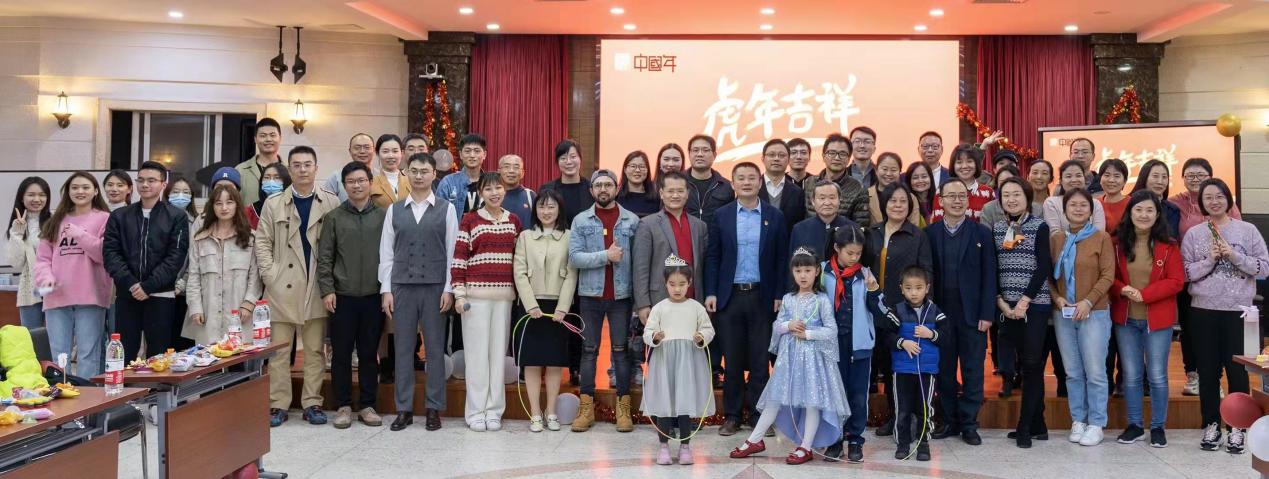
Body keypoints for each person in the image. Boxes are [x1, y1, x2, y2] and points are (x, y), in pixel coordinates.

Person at [729, 248, 848, 465]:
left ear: (816, 272)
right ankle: (755, 440)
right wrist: (788, 325)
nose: (803, 275)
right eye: (798, 270)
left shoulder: (822, 300)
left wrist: (808, 334)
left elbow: (831, 331)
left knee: (812, 401)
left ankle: (806, 446)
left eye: (808, 270)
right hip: (789, 359)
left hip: (813, 361)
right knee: (774, 398)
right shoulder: (788, 298)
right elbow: (776, 326)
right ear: (792, 272)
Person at [256, 146, 340, 427]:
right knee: (279, 351)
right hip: (281, 286)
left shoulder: (330, 202)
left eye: (307, 164)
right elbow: (262, 242)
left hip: (316, 284)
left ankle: (312, 402)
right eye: (297, 165)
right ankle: (277, 404)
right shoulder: (274, 203)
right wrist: (271, 275)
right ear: (289, 169)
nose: (302, 170)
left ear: (316, 168)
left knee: (315, 350)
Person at [1183, 178, 1268, 453]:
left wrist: (1233, 255)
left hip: (1237, 312)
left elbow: (1264, 267)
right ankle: (1211, 425)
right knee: (1207, 371)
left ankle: (1237, 428)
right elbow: (1186, 273)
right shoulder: (1194, 234)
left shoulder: (1248, 230)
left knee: (1237, 372)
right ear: (1202, 202)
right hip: (1203, 311)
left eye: (1220, 196)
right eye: (1208, 197)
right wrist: (1210, 259)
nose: (1214, 201)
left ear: (1229, 199)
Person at [706, 162, 789, 436]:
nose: (746, 182)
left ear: (760, 182)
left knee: (759, 361)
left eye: (751, 178)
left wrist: (779, 294)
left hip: (762, 296)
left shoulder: (775, 216)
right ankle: (732, 416)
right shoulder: (722, 215)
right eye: (740, 178)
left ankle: (757, 415)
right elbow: (713, 256)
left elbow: (781, 259)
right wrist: (711, 292)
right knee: (731, 360)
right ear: (733, 183)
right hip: (730, 297)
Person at [378, 152, 457, 432]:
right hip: (402, 287)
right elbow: (386, 253)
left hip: (435, 287)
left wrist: (449, 288)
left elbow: (452, 252)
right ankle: (404, 409)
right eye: (414, 170)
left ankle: (434, 408)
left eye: (424, 171)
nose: (419, 175)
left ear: (434, 174)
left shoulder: (447, 209)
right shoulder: (395, 210)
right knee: (402, 349)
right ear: (407, 174)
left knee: (435, 350)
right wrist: (386, 290)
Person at [1109, 190, 1184, 447]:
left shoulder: (1169, 245)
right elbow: (1108, 276)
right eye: (1138, 209)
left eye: (1149, 210)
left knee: (1157, 375)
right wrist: (1122, 289)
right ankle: (1135, 425)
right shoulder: (1116, 243)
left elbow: (1176, 281)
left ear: (1157, 214)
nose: (1144, 215)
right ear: (1130, 213)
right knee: (1131, 375)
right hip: (1126, 319)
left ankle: (1158, 427)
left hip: (1158, 320)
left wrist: (1145, 295)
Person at [567, 169, 641, 432]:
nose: (603, 189)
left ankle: (623, 408)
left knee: (621, 350)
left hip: (622, 297)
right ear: (591, 190)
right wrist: (605, 256)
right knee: (589, 351)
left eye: (608, 185)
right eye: (598, 185)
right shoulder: (580, 220)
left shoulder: (631, 220)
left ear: (616, 189)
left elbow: (638, 261)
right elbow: (574, 257)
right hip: (590, 295)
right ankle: (586, 408)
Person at [925, 179, 997, 446]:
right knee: (944, 370)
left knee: (972, 370)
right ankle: (949, 420)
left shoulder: (981, 233)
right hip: (940, 315)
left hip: (972, 314)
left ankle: (969, 423)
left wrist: (987, 313)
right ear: (941, 201)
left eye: (961, 196)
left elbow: (990, 275)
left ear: (968, 201)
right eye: (951, 196)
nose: (957, 201)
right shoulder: (930, 234)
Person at [317, 161, 387, 429]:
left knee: (369, 355)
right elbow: (325, 257)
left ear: (370, 183)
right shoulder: (334, 217)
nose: (357, 186)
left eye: (361, 180)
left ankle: (368, 405)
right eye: (351, 182)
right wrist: (327, 290)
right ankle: (343, 405)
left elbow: (390, 256)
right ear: (344, 186)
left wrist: (386, 290)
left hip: (373, 296)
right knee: (341, 354)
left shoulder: (383, 216)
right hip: (342, 297)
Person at [453, 172, 522, 432]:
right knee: (477, 357)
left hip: (503, 299)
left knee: (497, 357)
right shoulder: (470, 220)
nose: (494, 193)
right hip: (475, 300)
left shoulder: (513, 221)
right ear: (481, 192)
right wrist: (459, 294)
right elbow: (459, 259)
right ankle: (475, 411)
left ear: (505, 190)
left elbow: (519, 259)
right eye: (489, 188)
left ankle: (494, 411)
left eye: (498, 188)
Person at [103, 161, 190, 363]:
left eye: (151, 180)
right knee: (124, 354)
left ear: (163, 184)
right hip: (128, 293)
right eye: (141, 180)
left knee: (158, 355)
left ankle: (156, 386)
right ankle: (125, 385)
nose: (145, 185)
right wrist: (132, 283)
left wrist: (148, 286)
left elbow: (175, 257)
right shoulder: (119, 216)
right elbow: (110, 254)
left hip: (161, 294)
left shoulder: (176, 216)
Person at [864, 182, 932, 436]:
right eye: (893, 200)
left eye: (903, 201)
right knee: (877, 363)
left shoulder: (917, 236)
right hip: (871, 310)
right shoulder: (871, 233)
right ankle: (873, 416)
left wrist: (921, 311)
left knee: (899, 367)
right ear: (884, 204)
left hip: (902, 312)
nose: (898, 205)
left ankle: (901, 419)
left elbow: (926, 272)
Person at [1050, 188, 1115, 446]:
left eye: (1083, 205)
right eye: (1073, 205)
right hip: (1063, 314)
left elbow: (1108, 275)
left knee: (1095, 372)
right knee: (1073, 372)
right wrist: (1058, 298)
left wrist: (1088, 301)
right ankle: (1078, 419)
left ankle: (1096, 423)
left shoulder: (1101, 237)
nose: (1078, 209)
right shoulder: (1056, 239)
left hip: (1094, 313)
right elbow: (1048, 276)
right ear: (1064, 210)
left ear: (1091, 210)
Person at [992, 177, 1053, 448]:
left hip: (1034, 306)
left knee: (1031, 365)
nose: (1012, 199)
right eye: (1006, 195)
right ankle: (1039, 424)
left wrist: (1025, 300)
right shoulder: (997, 228)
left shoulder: (1039, 226)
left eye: (1017, 194)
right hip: (1007, 307)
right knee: (1021, 366)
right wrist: (1001, 301)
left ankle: (1025, 426)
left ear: (1027, 197)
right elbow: (993, 267)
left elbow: (1044, 266)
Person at [1170, 157, 1239, 396]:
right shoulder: (1175, 203)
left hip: (1221, 277)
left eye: (1201, 175)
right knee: (1190, 328)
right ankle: (1193, 375)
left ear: (1210, 176)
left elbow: (1237, 235)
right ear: (1183, 178)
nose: (1195, 179)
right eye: (1190, 175)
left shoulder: (1224, 203)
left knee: (1216, 330)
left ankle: (1213, 378)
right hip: (1189, 274)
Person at [32, 172, 111, 377]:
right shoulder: (55, 220)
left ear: (95, 191)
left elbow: (104, 254)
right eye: (74, 187)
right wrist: (46, 278)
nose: (80, 191)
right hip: (57, 297)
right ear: (67, 191)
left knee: (88, 353)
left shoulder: (105, 218)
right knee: (58, 354)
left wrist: (79, 234)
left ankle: (86, 396)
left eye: (85, 187)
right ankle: (61, 393)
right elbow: (42, 259)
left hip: (91, 296)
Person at [632, 171, 708, 380]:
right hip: (660, 302)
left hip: (692, 302)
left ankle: (686, 400)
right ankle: (662, 401)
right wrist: (643, 304)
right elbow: (640, 267)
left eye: (680, 191)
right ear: (661, 193)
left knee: (690, 361)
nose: (675, 195)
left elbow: (702, 266)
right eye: (670, 191)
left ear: (687, 194)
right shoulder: (648, 224)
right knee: (661, 363)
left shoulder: (699, 226)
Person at [512, 189, 577, 433]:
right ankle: (535, 413)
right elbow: (519, 272)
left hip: (557, 308)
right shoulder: (525, 237)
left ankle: (551, 411)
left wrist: (563, 308)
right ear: (535, 210)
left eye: (551, 207)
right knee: (532, 362)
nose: (546, 211)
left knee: (554, 362)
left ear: (559, 209)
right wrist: (530, 304)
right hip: (531, 307)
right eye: (542, 206)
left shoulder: (569, 236)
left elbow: (572, 274)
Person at [641, 256, 714, 466]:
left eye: (682, 284)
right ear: (665, 283)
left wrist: (701, 337)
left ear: (689, 283)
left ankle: (685, 447)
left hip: (688, 362)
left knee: (685, 403)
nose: (677, 289)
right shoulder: (659, 308)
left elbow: (708, 329)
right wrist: (655, 337)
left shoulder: (696, 307)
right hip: (664, 361)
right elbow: (648, 332)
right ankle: (663, 447)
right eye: (672, 284)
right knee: (664, 403)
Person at [822, 226, 881, 462]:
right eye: (850, 253)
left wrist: (874, 291)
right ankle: (834, 439)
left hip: (859, 344)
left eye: (858, 253)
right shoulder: (822, 272)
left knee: (857, 394)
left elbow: (879, 311)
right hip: (831, 344)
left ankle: (856, 440)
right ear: (837, 248)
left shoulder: (865, 274)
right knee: (833, 393)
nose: (854, 258)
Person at [880, 265, 947, 461]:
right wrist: (903, 343)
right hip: (902, 370)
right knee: (903, 409)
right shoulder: (897, 311)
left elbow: (947, 336)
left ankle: (923, 443)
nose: (914, 293)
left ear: (927, 288)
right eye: (909, 288)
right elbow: (886, 336)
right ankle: (902, 444)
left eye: (918, 288)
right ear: (901, 289)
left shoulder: (935, 311)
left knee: (924, 408)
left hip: (927, 370)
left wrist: (931, 334)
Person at [183, 183, 260, 345]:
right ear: (212, 207)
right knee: (208, 358)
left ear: (237, 205)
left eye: (229, 202)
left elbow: (255, 275)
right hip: (207, 315)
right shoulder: (200, 239)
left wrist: (248, 303)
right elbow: (193, 275)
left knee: (239, 358)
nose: (224, 208)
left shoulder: (250, 238)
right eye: (218, 203)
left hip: (239, 314)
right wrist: (195, 307)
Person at [8, 177, 51, 330]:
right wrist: (17, 232)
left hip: (55, 287)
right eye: (31, 195)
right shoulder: (18, 225)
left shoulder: (56, 220)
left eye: (42, 195)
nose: (37, 199)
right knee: (32, 337)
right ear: (22, 197)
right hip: (30, 290)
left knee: (58, 338)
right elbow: (16, 263)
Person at [806, 133, 869, 227]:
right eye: (832, 153)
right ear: (823, 156)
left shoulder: (858, 188)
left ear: (848, 159)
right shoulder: (809, 183)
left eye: (842, 154)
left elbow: (860, 227)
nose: (837, 158)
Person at [789, 179, 861, 261]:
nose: (827, 203)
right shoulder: (799, 229)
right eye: (822, 198)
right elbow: (793, 262)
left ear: (839, 200)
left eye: (832, 198)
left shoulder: (853, 229)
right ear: (813, 201)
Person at [165, 175, 198, 350]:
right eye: (176, 191)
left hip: (185, 292)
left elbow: (195, 257)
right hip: (161, 288)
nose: (180, 196)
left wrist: (183, 283)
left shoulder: (197, 223)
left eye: (185, 192)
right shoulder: (158, 218)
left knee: (183, 343)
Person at [930, 145, 995, 223]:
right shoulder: (942, 190)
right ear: (953, 165)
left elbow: (993, 222)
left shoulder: (988, 192)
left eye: (969, 161)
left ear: (976, 164)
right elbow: (937, 224)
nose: (964, 166)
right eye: (959, 162)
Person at [684, 134, 735, 228]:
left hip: (714, 237)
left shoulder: (726, 186)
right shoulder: (678, 183)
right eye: (695, 150)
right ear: (689, 154)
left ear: (714, 155)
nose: (700, 154)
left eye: (705, 150)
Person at [1043, 160, 1107, 233]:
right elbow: (1054, 234)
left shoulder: (1095, 203)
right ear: (1061, 181)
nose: (1074, 180)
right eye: (1068, 176)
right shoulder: (1052, 203)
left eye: (1078, 175)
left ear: (1084, 179)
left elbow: (1099, 233)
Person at [436, 133, 488, 222]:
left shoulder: (491, 182)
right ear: (460, 154)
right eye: (467, 151)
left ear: (484, 155)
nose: (472, 155)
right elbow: (438, 215)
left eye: (477, 151)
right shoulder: (448, 182)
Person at [540, 139, 594, 223]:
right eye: (563, 158)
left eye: (573, 157)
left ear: (580, 159)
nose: (568, 162)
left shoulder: (591, 188)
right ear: (557, 162)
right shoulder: (547, 189)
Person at [758, 139, 806, 235]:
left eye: (782, 155)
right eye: (771, 155)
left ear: (788, 160)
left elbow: (799, 225)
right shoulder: (752, 188)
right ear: (763, 159)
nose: (776, 159)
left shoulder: (798, 192)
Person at [237, 117, 284, 206]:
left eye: (272, 135)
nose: (268, 139)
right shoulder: (240, 170)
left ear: (280, 138)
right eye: (263, 135)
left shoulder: (290, 171)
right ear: (255, 139)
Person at [866, 153, 922, 226]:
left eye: (893, 170)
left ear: (900, 172)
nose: (889, 174)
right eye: (885, 169)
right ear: (876, 170)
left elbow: (914, 226)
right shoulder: (865, 195)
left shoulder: (910, 198)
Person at [1131, 159, 1182, 236]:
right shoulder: (1128, 202)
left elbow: (1171, 237)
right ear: (1144, 177)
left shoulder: (1172, 210)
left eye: (1164, 177)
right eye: (1155, 176)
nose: (1160, 182)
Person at [322, 133, 375, 201]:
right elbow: (326, 203)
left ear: (374, 150)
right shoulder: (336, 177)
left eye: (367, 147)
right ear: (350, 151)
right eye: (357, 148)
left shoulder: (381, 176)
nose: (362, 151)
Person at [369, 134, 410, 209]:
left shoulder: (411, 181)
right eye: (385, 151)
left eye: (395, 151)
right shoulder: (371, 183)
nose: (391, 156)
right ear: (377, 153)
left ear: (402, 153)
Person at [616, 151, 659, 218]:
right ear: (625, 170)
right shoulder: (616, 197)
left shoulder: (656, 198)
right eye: (633, 166)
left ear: (647, 170)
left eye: (642, 166)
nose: (637, 170)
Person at [248, 163, 290, 229]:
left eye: (277, 178)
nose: (271, 181)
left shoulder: (293, 207)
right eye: (267, 177)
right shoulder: (251, 211)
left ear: (286, 181)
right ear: (261, 182)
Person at [1096, 159, 1130, 238]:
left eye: (1117, 176)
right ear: (1100, 179)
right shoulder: (1095, 203)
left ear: (1125, 181)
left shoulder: (1132, 203)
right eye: (1107, 175)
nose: (1111, 180)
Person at [500, 154, 536, 226]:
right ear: (499, 171)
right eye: (506, 167)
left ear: (522, 173)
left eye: (516, 167)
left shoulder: (530, 196)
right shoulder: (492, 196)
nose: (511, 171)